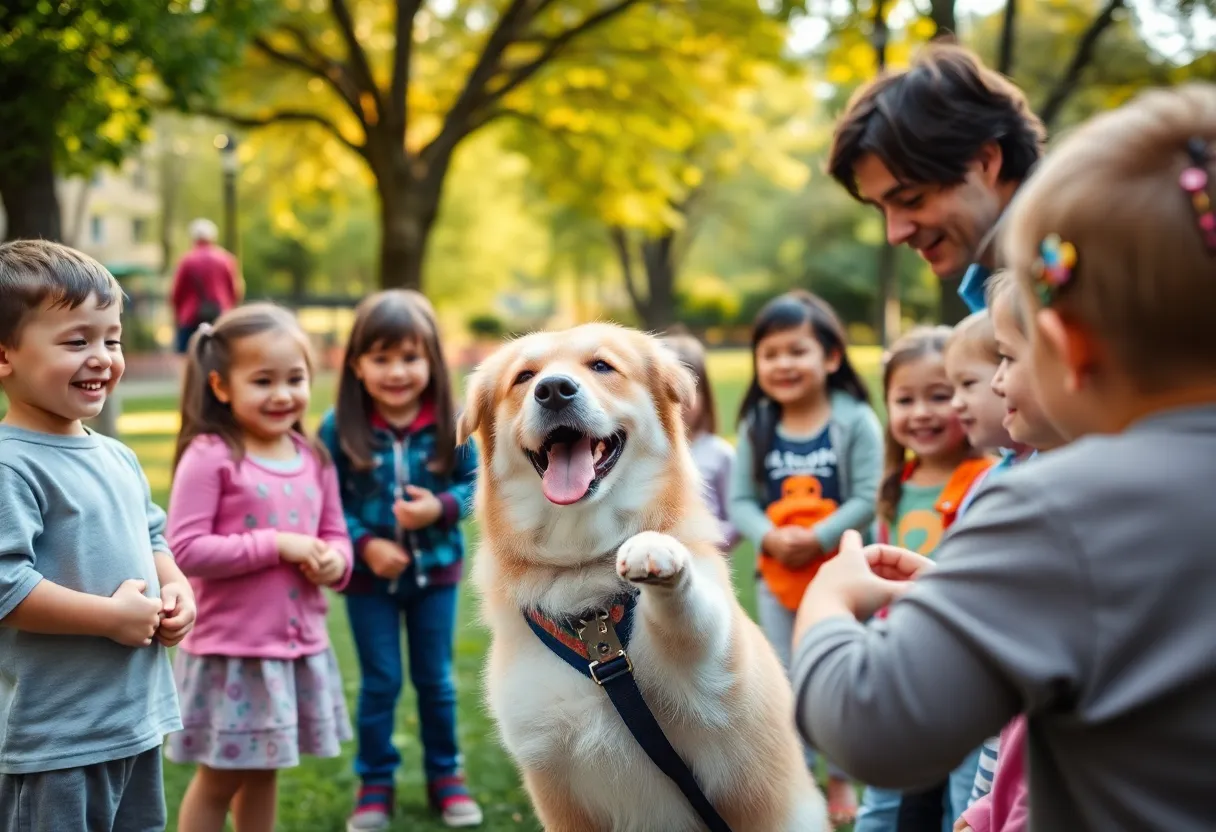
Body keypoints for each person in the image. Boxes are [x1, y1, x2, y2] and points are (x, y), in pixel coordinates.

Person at [791, 83, 1216, 829]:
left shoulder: (1058, 506)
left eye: (1011, 352)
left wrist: (827, 601)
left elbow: (871, 727)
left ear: (1067, 349)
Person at [0, 240, 194, 831]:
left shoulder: (115, 455)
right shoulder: (11, 465)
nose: (103, 357)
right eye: (75, 341)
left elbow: (152, 535)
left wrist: (176, 586)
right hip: (57, 732)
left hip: (132, 719)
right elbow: (7, 585)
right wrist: (108, 618)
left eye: (111, 339)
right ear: (5, 357)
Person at [166, 303, 354, 832]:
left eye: (294, 379)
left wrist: (334, 560)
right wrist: (277, 544)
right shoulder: (211, 454)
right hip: (235, 653)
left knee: (267, 771)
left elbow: (336, 534)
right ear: (222, 387)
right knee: (221, 778)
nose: (282, 394)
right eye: (262, 380)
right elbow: (185, 549)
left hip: (294, 648)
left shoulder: (312, 456)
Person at [317, 290, 482, 831]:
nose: (396, 372)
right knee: (381, 681)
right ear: (357, 365)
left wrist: (439, 507)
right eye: (380, 358)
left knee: (436, 680)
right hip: (369, 584)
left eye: (409, 357)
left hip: (436, 575)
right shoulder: (337, 429)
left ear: (432, 360)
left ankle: (445, 775)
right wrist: (366, 544)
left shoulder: (452, 425)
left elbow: (477, 487)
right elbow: (329, 500)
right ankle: (376, 782)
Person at [727, 289, 882, 826]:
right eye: (770, 354)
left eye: (797, 351)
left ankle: (842, 776)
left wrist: (819, 536)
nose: (783, 364)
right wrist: (769, 536)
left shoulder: (854, 420)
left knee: (837, 672)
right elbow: (740, 500)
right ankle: (797, 775)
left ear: (831, 357)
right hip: (778, 579)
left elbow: (867, 497)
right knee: (784, 679)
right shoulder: (757, 425)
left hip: (842, 577)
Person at [855, 327, 992, 832]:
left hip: (966, 669)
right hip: (901, 661)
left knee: (968, 795)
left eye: (940, 396)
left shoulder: (989, 479)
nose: (921, 413)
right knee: (884, 795)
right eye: (905, 399)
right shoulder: (896, 485)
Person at [827, 43, 1045, 314]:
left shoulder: (1092, 268)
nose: (895, 234)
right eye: (882, 210)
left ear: (985, 162)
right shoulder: (994, 298)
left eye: (911, 200)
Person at [660, 332, 740, 552]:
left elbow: (737, 517)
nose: (676, 402)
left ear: (705, 395)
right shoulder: (641, 455)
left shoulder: (718, 453)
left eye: (688, 390)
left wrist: (706, 541)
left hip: (704, 566)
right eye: (666, 391)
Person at [171, 218, 242, 354]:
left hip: (190, 317)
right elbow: (235, 291)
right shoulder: (226, 259)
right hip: (220, 316)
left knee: (188, 356)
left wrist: (176, 317)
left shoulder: (186, 261)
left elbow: (176, 294)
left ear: (193, 238)